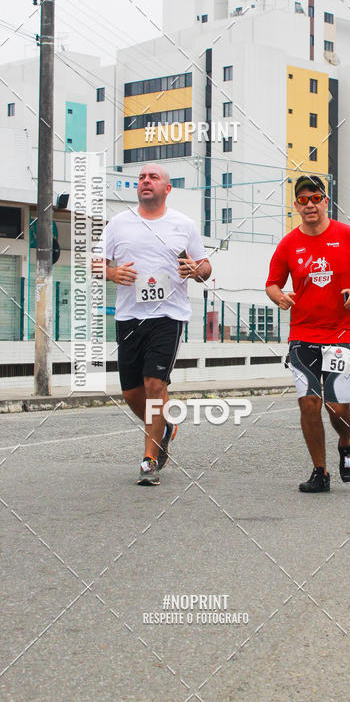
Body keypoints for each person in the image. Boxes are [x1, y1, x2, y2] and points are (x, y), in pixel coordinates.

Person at [265, 174, 350, 492]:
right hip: (302, 334)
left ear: (325, 201)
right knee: (309, 403)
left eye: (315, 198)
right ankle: (320, 471)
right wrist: (280, 298)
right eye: (303, 200)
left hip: (341, 333)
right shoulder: (289, 243)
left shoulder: (348, 236)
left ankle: (346, 441)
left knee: (336, 406)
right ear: (297, 206)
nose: (310, 205)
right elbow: (272, 284)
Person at [98, 164, 211, 485]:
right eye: (142, 178)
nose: (146, 181)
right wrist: (111, 273)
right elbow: (95, 262)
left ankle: (149, 459)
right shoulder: (118, 224)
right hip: (129, 317)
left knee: (154, 385)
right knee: (132, 393)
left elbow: (204, 267)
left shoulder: (183, 225)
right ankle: (166, 427)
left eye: (153, 177)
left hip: (168, 316)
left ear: (167, 188)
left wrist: (196, 270)